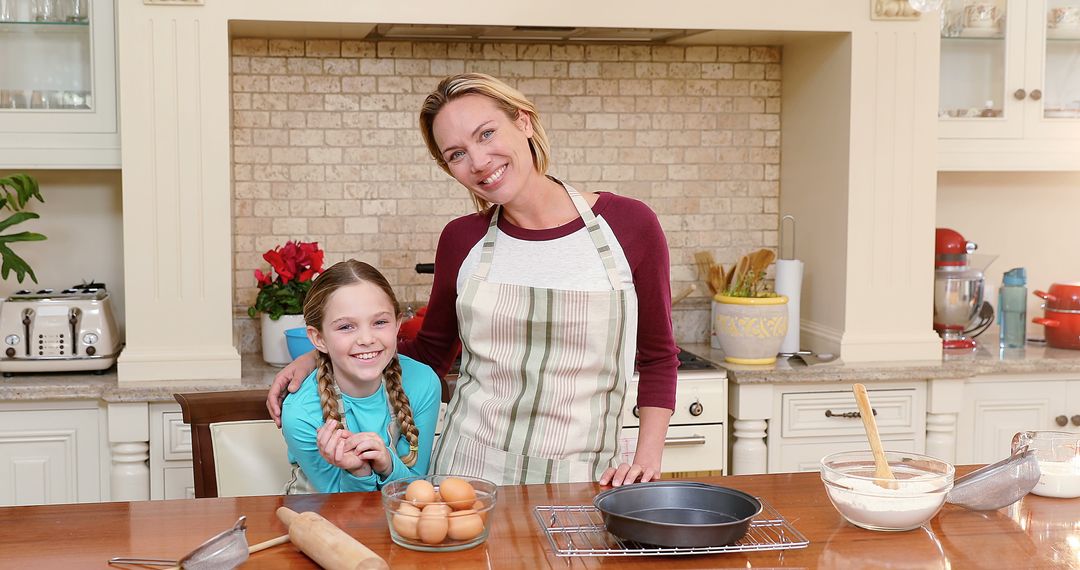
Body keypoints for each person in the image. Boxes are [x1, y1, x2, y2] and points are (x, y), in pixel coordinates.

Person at [269, 73, 678, 487]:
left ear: (523, 122)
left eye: (487, 134)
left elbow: (659, 356)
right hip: (468, 474)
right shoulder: (462, 239)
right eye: (457, 154)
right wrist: (322, 357)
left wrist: (647, 457)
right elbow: (430, 352)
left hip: (587, 474)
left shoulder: (629, 225)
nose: (479, 162)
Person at [280, 259, 441, 493]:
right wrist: (359, 472)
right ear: (318, 339)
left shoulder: (422, 382)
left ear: (397, 325)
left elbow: (417, 489)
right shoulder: (301, 412)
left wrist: (387, 464)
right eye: (346, 327)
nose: (366, 339)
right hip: (322, 518)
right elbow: (341, 508)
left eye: (380, 322)